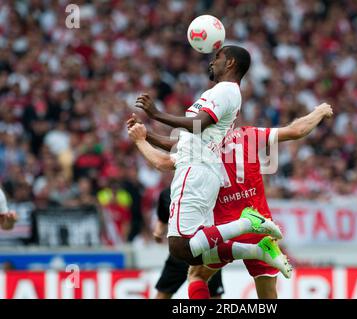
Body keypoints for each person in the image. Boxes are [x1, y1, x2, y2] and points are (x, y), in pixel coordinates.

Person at [127, 102, 333, 298]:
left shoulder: (200, 149)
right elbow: (297, 130)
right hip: (261, 229)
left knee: (196, 276)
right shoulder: (250, 135)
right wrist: (319, 112)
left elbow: (162, 161)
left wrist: (142, 139)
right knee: (268, 296)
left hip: (223, 232)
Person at [133, 45, 287, 273]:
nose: (212, 62)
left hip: (196, 170)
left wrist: (156, 114)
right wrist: (147, 135)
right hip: (203, 168)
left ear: (231, 63)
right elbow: (185, 140)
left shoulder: (225, 90)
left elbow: (198, 125)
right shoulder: (222, 93)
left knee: (178, 246)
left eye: (218, 57)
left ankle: (249, 223)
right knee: (198, 257)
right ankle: (258, 250)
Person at [153, 188, 224, 299]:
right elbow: (162, 219)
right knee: (163, 292)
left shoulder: (211, 189)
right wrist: (158, 232)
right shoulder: (167, 193)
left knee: (214, 294)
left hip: (205, 249)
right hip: (182, 251)